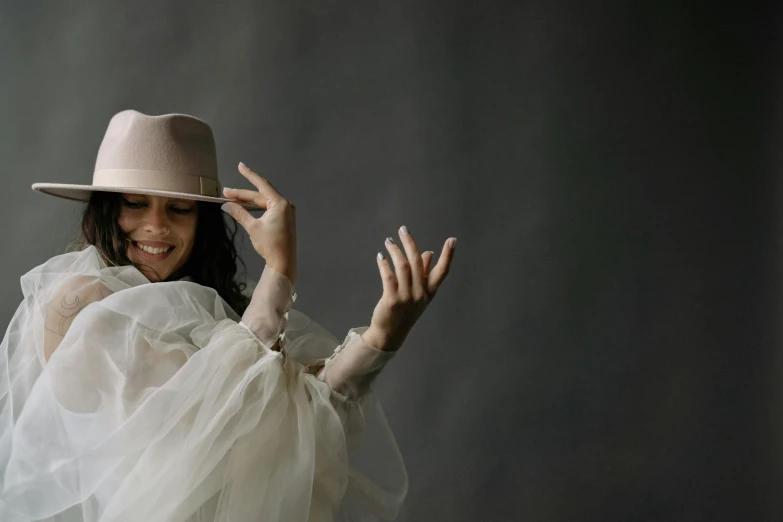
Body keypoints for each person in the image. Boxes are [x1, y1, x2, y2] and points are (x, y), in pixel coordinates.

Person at [0, 110, 456, 521]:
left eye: (179, 208)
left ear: (203, 221)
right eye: (134, 203)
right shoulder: (81, 303)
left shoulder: (228, 310)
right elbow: (217, 416)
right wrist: (281, 271)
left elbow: (301, 419)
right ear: (105, 209)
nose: (156, 225)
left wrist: (381, 338)